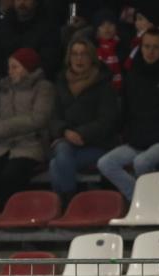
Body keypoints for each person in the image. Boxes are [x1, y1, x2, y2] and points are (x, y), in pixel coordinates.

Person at [97, 29, 159, 202]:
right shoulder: (133, 75)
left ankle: (151, 202)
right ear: (141, 47)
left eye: (155, 47)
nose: (150, 51)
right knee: (106, 163)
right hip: (137, 140)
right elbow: (125, 110)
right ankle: (141, 200)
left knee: (142, 162)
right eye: (146, 46)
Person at [48, 37, 119, 202]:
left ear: (91, 58)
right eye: (74, 54)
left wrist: (80, 134)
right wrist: (65, 131)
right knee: (62, 153)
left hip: (98, 145)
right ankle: (72, 203)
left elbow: (107, 120)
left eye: (84, 54)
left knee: (57, 162)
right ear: (69, 57)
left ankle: (67, 204)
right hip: (67, 142)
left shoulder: (103, 85)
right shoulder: (61, 83)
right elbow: (54, 117)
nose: (79, 59)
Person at [0, 47, 53, 205]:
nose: (10, 71)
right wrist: (0, 127)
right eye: (9, 67)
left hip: (31, 144)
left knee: (12, 173)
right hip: (5, 145)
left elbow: (39, 119)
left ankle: (13, 211)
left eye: (15, 67)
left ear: (27, 68)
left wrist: (7, 126)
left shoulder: (43, 87)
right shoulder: (5, 88)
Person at [0, 0, 61, 79]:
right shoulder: (2, 26)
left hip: (35, 85)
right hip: (4, 84)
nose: (22, 2)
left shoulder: (49, 28)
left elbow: (48, 65)